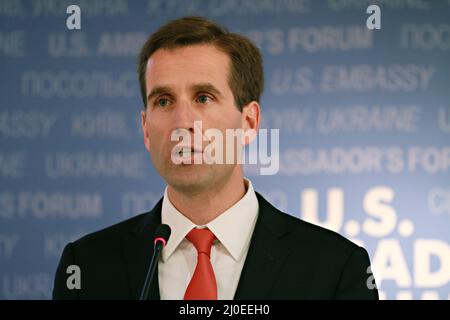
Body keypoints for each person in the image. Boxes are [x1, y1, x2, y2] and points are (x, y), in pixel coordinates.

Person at [53, 16, 378, 300]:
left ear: (248, 122)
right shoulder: (86, 267)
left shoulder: (336, 268)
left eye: (203, 97)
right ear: (146, 129)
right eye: (164, 101)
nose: (182, 123)